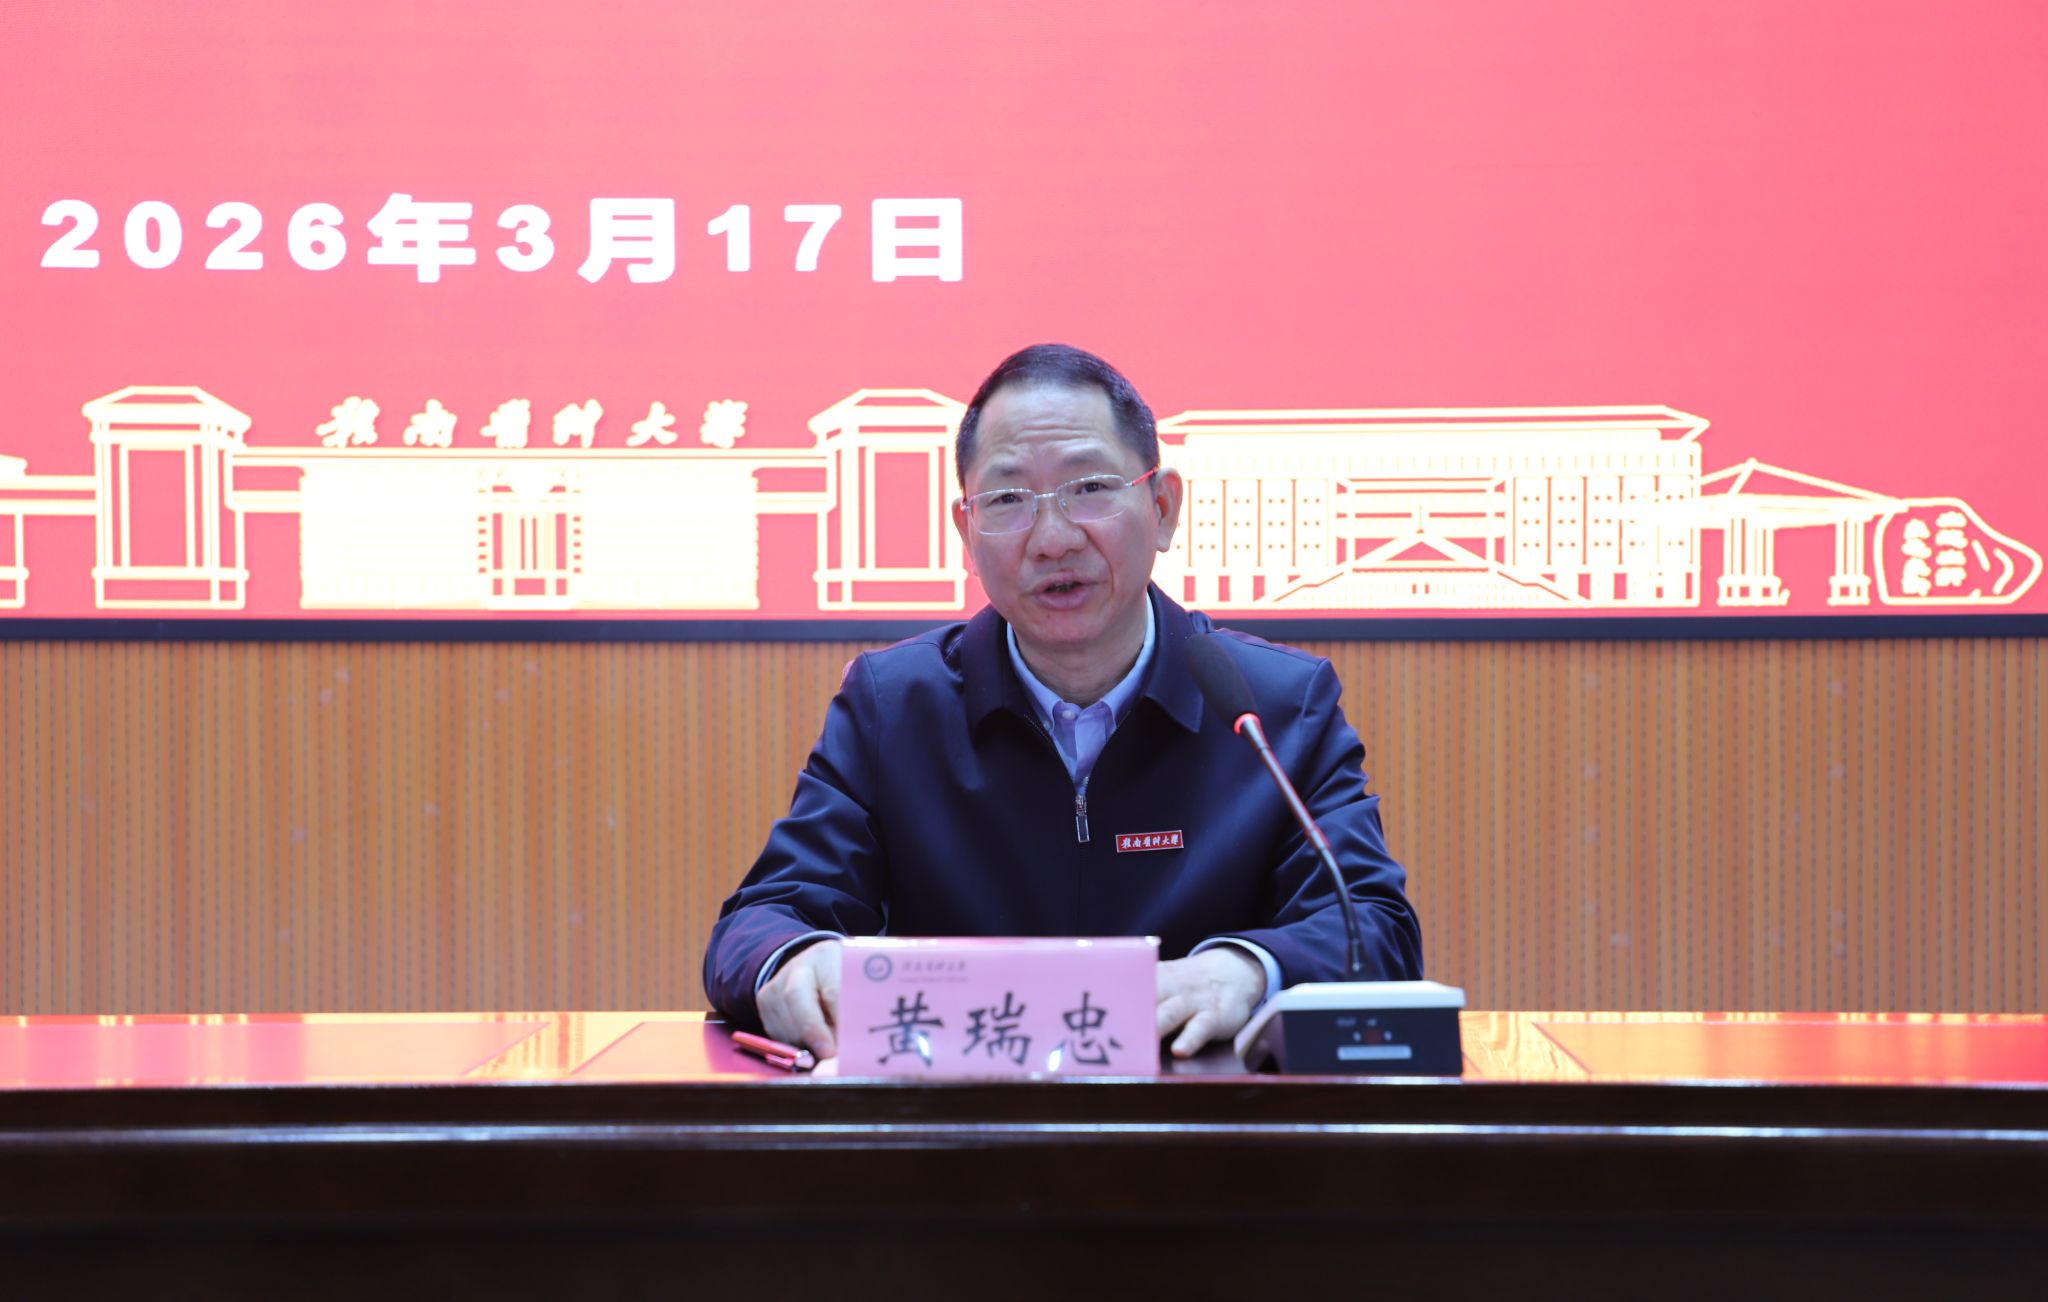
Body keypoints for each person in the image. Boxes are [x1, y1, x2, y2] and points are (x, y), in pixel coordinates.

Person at [704, 344, 1422, 1060]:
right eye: (1008, 500)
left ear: (1163, 508)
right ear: (967, 532)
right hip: (958, 1119)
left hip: (1202, 1118)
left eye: (1090, 488)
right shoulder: (894, 707)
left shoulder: (1275, 707)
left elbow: (1374, 928)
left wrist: (1246, 969)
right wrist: (796, 961)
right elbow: (762, 919)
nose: (1052, 540)